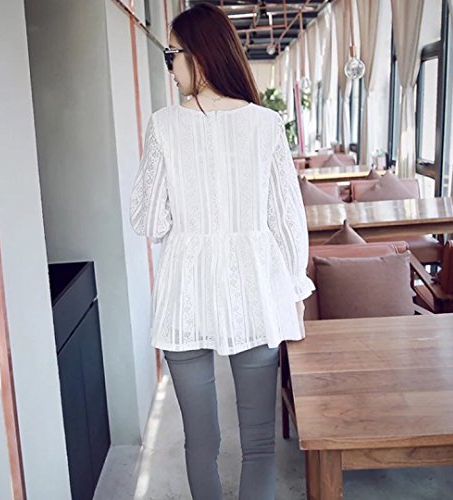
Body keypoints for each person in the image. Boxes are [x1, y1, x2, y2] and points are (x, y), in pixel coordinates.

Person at [129, 4, 314, 499]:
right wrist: (295, 288)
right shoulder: (266, 124)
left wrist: (186, 211)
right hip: (256, 290)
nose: (170, 67)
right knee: (258, 445)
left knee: (200, 443)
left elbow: (149, 221)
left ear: (199, 55)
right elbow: (287, 221)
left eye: (171, 55)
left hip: (185, 295)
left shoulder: (164, 126)